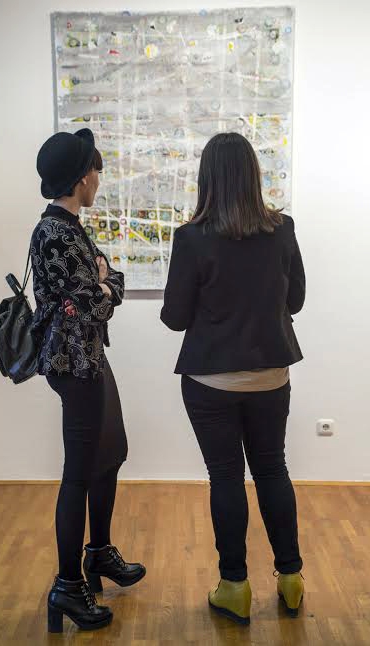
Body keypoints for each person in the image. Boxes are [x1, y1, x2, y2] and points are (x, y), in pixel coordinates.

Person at [161, 132, 306, 625]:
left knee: (225, 476)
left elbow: (175, 318)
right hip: (271, 376)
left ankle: (234, 586)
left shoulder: (191, 238)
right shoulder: (282, 230)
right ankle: (291, 579)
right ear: (252, 175)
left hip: (211, 381)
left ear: (207, 179)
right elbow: (296, 300)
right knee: (272, 470)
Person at [31, 128, 146, 633]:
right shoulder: (55, 233)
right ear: (82, 178)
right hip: (72, 363)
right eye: (97, 170)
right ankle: (67, 585)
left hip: (89, 357)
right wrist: (102, 284)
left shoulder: (69, 226)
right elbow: (92, 301)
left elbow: (106, 283)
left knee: (110, 452)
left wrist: (103, 283)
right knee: (78, 472)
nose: (99, 178)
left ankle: (98, 552)